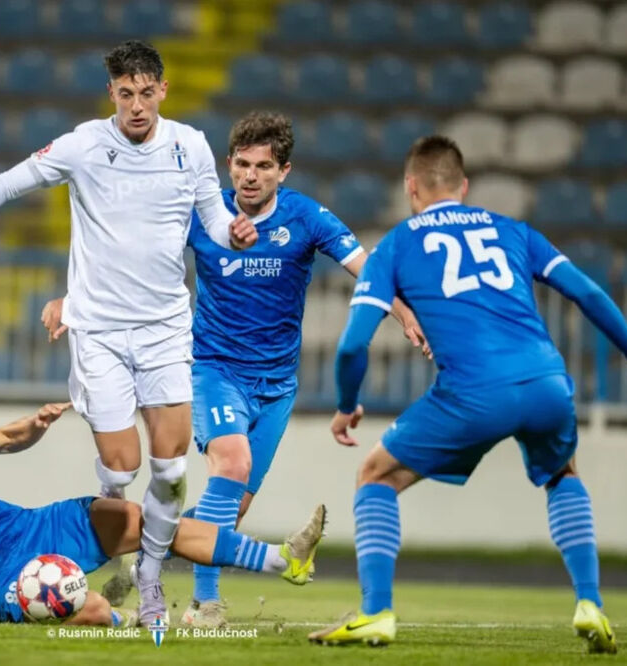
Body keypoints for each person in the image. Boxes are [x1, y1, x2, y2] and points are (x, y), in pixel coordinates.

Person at [43, 111, 427, 627]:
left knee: (232, 509)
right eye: (241, 165)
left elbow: (368, 270)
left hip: (276, 386)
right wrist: (74, 300)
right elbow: (130, 260)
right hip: (210, 369)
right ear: (228, 164)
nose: (249, 176)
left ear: (283, 171)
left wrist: (404, 314)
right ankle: (206, 605)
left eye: (263, 167)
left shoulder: (307, 218)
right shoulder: (203, 215)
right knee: (232, 464)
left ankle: (142, 568)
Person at [0, 40, 257, 625]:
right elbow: (18, 178)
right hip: (101, 333)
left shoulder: (189, 145)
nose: (137, 105)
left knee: (170, 469)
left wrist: (231, 232)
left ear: (162, 90)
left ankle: (152, 578)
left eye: (146, 92)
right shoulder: (85, 144)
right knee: (121, 468)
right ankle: (110, 534)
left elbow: (211, 216)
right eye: (125, 93)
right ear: (111, 92)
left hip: (165, 328)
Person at [307, 136, 627, 652]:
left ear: (411, 187)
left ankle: (376, 612)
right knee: (563, 472)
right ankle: (590, 603)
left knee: (375, 475)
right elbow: (586, 292)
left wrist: (345, 403)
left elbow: (353, 344)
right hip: (546, 382)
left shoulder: (397, 245)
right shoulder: (513, 231)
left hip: (473, 393)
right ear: (463, 186)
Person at [0, 382, 324, 626]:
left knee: (137, 519)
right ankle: (128, 621)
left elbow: (5, 438)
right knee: (83, 605)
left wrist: (33, 427)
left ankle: (285, 559)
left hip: (28, 529)